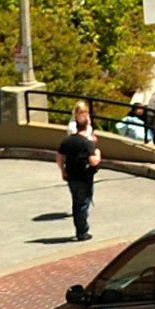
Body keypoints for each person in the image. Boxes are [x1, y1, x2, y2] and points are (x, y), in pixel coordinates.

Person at [57, 101, 100, 241]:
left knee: (77, 202)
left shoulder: (67, 141)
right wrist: (98, 153)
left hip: (71, 174)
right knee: (82, 204)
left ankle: (80, 229)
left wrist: (63, 171)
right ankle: (82, 232)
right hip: (83, 176)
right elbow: (93, 161)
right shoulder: (86, 142)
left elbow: (59, 157)